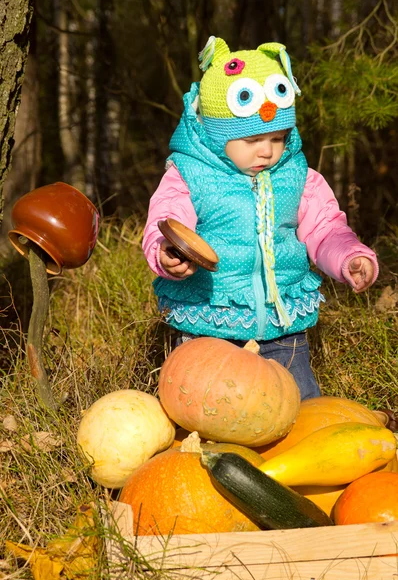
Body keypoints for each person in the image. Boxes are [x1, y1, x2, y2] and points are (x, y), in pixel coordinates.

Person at [142, 36, 378, 400]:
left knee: (296, 408)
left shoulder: (298, 177)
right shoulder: (190, 174)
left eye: (278, 137)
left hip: (283, 326)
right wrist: (167, 252)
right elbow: (169, 219)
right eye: (252, 140)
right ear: (216, 134)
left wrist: (348, 256)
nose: (267, 151)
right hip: (209, 321)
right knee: (203, 407)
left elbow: (325, 227)